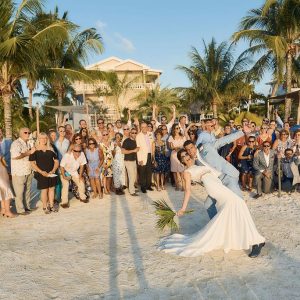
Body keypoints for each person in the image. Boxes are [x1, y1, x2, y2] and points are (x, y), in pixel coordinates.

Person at [158, 149, 265, 258]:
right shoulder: (186, 172)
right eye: (183, 156)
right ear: (182, 161)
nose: (186, 156)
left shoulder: (198, 163)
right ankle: (256, 241)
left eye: (186, 154)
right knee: (238, 204)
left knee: (238, 206)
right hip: (214, 189)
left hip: (219, 185)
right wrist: (183, 208)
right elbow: (188, 190)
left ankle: (256, 240)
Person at [184, 126, 247, 219]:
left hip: (227, 176)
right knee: (207, 205)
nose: (190, 151)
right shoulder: (194, 162)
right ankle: (215, 223)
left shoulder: (206, 147)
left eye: (191, 148)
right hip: (217, 183)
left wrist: (241, 132)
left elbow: (224, 140)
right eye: (187, 150)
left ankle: (244, 223)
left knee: (239, 201)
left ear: (194, 145)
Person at [29, 133, 59, 214]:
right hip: (41, 173)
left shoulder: (51, 148)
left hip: (51, 172)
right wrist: (41, 172)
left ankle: (51, 206)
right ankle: (45, 207)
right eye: (41, 138)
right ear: (38, 139)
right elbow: (32, 163)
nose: (44, 139)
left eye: (45, 138)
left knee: (52, 189)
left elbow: (56, 161)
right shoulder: (35, 149)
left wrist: (53, 170)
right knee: (44, 190)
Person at [10, 128, 35, 215]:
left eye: (29, 132)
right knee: (19, 192)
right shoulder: (16, 143)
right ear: (20, 134)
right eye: (25, 132)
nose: (28, 134)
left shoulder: (29, 143)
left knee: (27, 191)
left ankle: (27, 207)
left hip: (28, 170)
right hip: (19, 171)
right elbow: (15, 156)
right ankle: (20, 210)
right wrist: (28, 153)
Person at [136, 122, 154, 193]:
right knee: (142, 172)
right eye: (142, 127)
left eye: (145, 127)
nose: (144, 128)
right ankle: (143, 187)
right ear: (140, 128)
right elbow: (138, 148)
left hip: (150, 154)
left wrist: (153, 156)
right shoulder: (138, 136)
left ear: (147, 127)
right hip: (142, 156)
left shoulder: (150, 134)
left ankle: (148, 185)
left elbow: (152, 144)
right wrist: (139, 159)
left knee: (149, 171)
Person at [168, 124, 186, 191]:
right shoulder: (171, 137)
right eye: (176, 128)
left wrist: (180, 148)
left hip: (181, 154)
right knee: (175, 171)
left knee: (182, 171)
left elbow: (185, 146)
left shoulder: (182, 136)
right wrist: (174, 148)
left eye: (179, 128)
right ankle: (177, 185)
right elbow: (170, 147)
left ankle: (183, 186)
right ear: (174, 129)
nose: (178, 129)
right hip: (174, 155)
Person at [122, 128, 139, 196]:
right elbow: (123, 151)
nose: (134, 134)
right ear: (130, 133)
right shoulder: (126, 141)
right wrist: (133, 151)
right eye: (133, 133)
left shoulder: (136, 141)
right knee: (131, 176)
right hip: (128, 161)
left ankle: (132, 188)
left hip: (134, 160)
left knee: (134, 176)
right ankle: (132, 191)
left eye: (135, 133)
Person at [100, 130, 114, 194]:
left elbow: (113, 152)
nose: (105, 136)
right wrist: (102, 163)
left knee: (110, 176)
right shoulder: (100, 144)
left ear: (108, 135)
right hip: (104, 162)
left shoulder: (111, 143)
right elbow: (100, 155)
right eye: (104, 134)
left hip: (111, 162)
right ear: (102, 136)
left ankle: (108, 188)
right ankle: (105, 189)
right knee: (104, 176)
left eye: (106, 134)